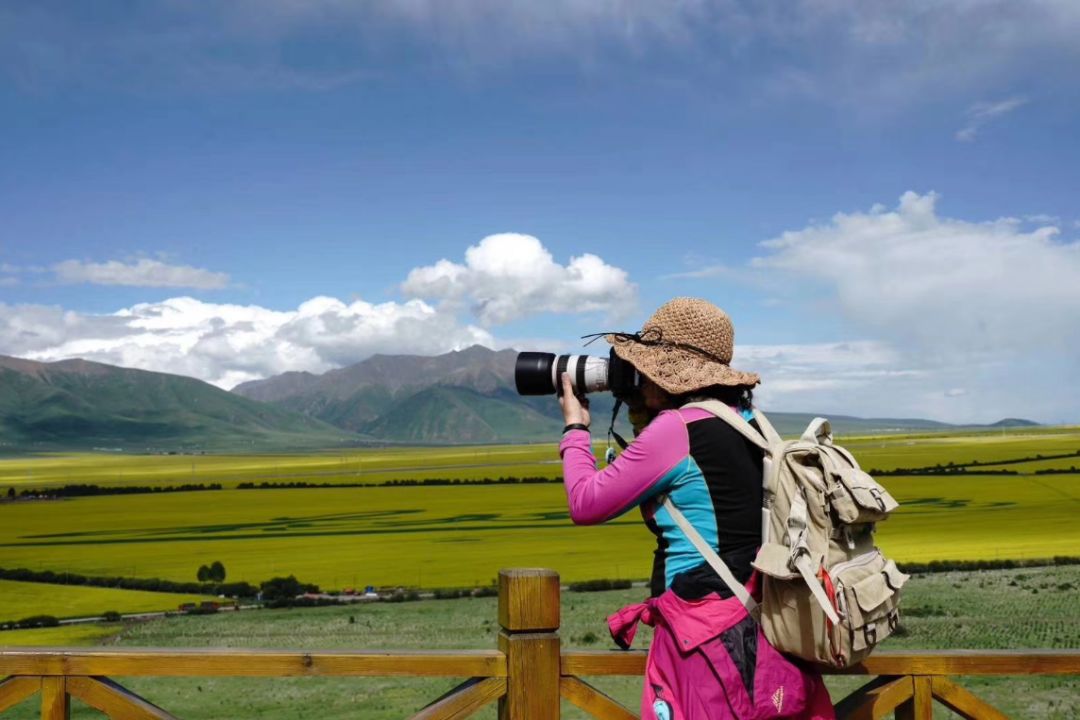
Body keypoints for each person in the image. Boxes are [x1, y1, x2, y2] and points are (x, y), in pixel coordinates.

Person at [558, 297, 834, 720]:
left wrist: (575, 428)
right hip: (767, 620)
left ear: (667, 373)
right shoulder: (751, 421)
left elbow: (586, 502)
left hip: (702, 632)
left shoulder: (677, 429)